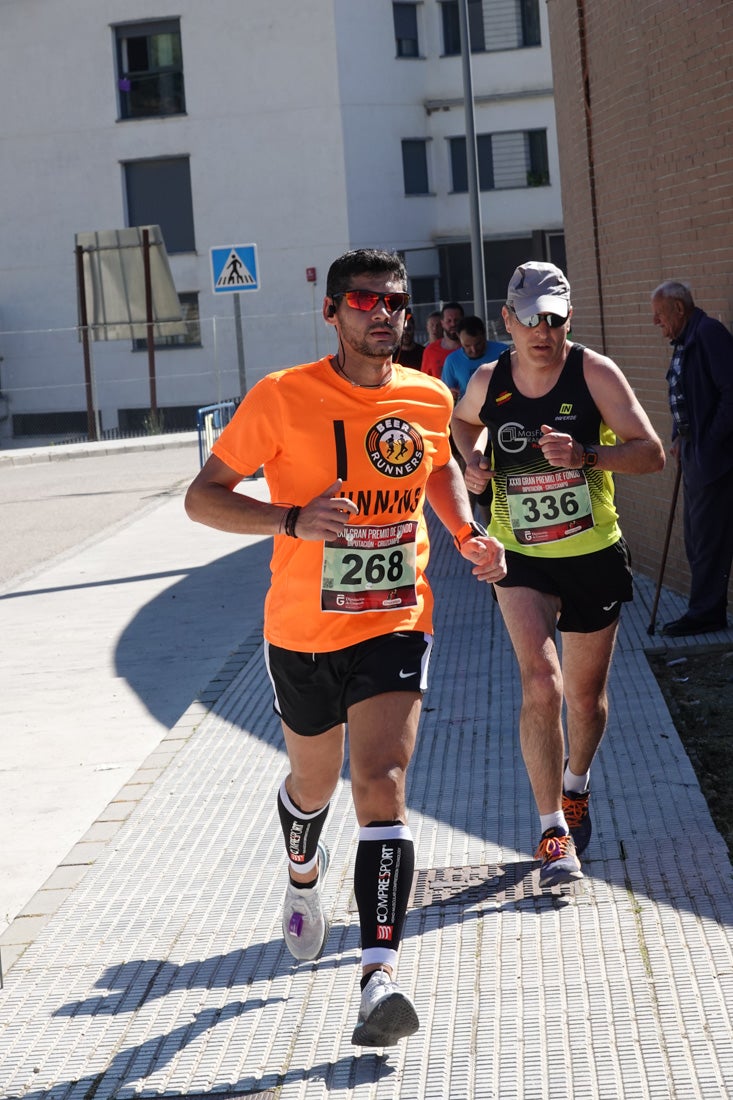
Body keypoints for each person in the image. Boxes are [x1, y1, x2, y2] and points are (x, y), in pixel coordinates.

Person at [185, 248, 506, 1047]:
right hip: (299, 631)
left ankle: (377, 978)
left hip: (395, 619)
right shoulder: (282, 397)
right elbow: (202, 498)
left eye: (394, 301)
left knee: (382, 783)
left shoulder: (428, 396)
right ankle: (302, 868)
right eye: (363, 301)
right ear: (330, 312)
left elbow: (437, 470)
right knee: (314, 781)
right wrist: (288, 520)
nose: (382, 313)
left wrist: (466, 530)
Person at [452, 260, 665, 887]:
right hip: (520, 556)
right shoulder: (490, 381)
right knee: (540, 683)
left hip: (594, 553)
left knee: (584, 700)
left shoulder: (594, 373)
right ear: (507, 321)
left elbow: (651, 452)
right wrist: (474, 459)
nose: (541, 331)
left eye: (553, 318)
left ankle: (576, 783)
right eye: (528, 319)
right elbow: (462, 424)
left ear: (568, 317)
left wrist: (588, 454)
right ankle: (552, 830)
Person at [651, 280, 733, 636]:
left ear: (679, 309)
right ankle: (704, 609)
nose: (656, 322)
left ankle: (706, 613)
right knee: (697, 537)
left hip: (714, 459)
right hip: (696, 453)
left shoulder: (709, 335)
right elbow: (684, 396)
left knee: (708, 539)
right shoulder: (686, 340)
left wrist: (706, 442)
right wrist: (680, 438)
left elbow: (731, 393)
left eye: (659, 315)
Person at [441, 316, 508, 403]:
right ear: (458, 336)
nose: (474, 350)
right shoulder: (452, 361)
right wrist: (451, 395)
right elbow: (445, 393)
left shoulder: (503, 352)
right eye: (467, 345)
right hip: (468, 412)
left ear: (484, 335)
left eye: (478, 344)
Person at [421, 301, 464, 378]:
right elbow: (424, 380)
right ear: (442, 323)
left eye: (456, 320)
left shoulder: (471, 348)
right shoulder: (431, 350)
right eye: (449, 321)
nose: (453, 324)